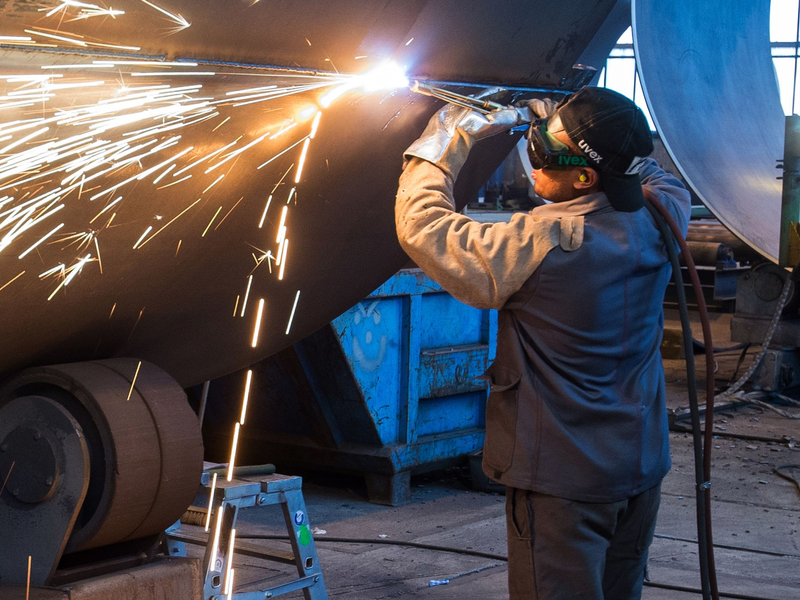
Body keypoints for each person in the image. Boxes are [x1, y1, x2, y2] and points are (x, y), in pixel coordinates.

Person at [395, 86, 691, 599]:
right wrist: (571, 122)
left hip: (563, 485)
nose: (531, 164)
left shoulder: (541, 245)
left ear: (584, 177)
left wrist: (450, 138)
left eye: (545, 156)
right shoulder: (664, 215)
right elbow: (646, 170)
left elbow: (424, 226)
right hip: (639, 467)